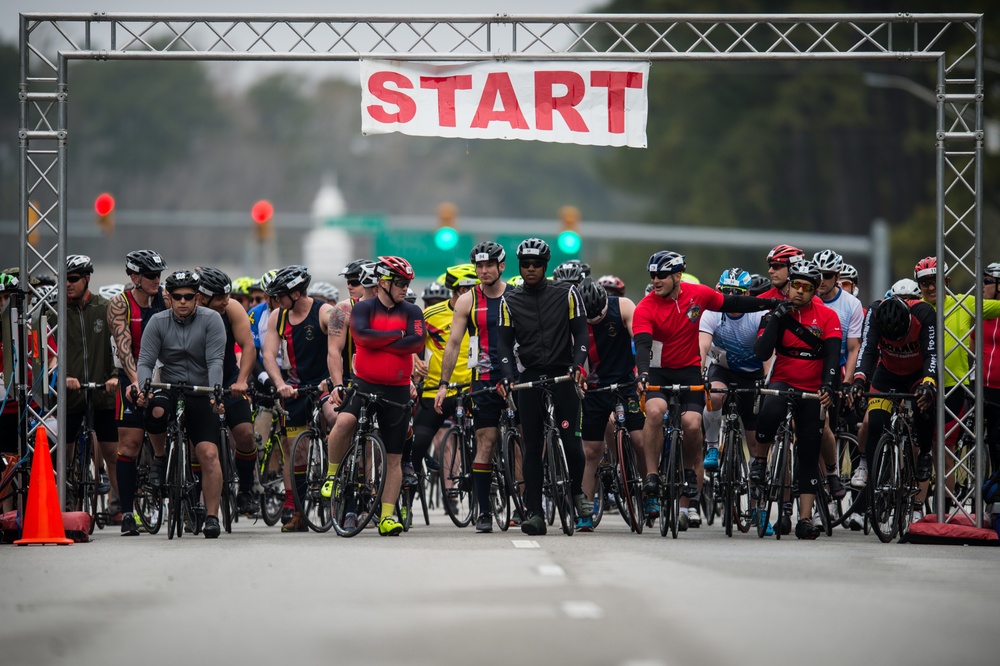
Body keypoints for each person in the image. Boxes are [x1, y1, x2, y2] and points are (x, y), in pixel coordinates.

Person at [635, 251, 779, 529]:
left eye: (661, 275)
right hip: (657, 370)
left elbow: (734, 302)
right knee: (655, 411)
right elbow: (642, 344)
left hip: (688, 370)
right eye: (652, 275)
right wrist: (642, 373)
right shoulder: (645, 306)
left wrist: (772, 302)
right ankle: (652, 475)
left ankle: (690, 472)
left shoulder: (698, 295)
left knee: (691, 424)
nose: (655, 280)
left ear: (677, 276)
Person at [496, 238, 593, 536]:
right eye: (525, 264)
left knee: (572, 442)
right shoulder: (509, 300)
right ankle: (535, 513)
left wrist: (578, 365)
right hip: (530, 376)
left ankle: (576, 491)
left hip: (563, 373)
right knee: (533, 446)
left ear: (545, 266)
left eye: (536, 264)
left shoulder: (566, 293)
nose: (530, 269)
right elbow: (502, 343)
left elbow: (581, 334)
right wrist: (508, 375)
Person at [324, 256, 424, 536]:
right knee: (343, 423)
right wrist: (397, 336)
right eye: (400, 283)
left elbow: (416, 342)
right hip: (365, 385)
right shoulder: (363, 307)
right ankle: (332, 473)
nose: (405, 288)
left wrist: (383, 340)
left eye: (407, 283)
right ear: (383, 283)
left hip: (398, 389)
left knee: (393, 459)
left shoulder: (412, 312)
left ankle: (387, 516)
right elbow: (362, 337)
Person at [133, 270, 227, 538]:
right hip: (169, 387)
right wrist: (144, 388)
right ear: (169, 298)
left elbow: (215, 361)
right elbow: (146, 362)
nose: (183, 302)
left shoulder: (212, 320)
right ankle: (160, 457)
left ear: (197, 297)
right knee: (156, 409)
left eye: (188, 297)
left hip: (201, 389)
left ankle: (211, 515)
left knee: (209, 454)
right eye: (177, 297)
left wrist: (215, 395)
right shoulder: (158, 322)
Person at [753, 261, 842, 539]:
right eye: (796, 286)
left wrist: (827, 385)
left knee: (808, 447)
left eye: (807, 288)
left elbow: (831, 355)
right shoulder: (775, 313)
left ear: (815, 291)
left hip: (812, 387)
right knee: (769, 410)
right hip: (783, 380)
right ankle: (758, 461)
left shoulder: (828, 317)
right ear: (788, 286)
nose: (800, 292)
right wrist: (777, 318)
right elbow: (761, 352)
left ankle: (804, 519)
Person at [434, 242, 515, 531]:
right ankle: (483, 510)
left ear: (501, 267)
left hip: (514, 377)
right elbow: (453, 343)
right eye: (479, 266)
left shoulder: (515, 296)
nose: (483, 271)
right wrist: (443, 384)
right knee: (486, 440)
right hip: (483, 379)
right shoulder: (468, 300)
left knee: (525, 440)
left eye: (489, 266)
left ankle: (527, 503)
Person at [261, 265, 338, 532]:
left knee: (334, 418)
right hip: (295, 389)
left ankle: (341, 478)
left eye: (280, 295)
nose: (275, 300)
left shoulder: (325, 312)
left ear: (295, 293)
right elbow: (269, 354)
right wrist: (280, 384)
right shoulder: (277, 317)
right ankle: (298, 512)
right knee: (296, 451)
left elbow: (336, 349)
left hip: (324, 384)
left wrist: (332, 380)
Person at [851, 293, 938, 523]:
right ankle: (875, 486)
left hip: (917, 374)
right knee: (876, 424)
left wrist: (929, 383)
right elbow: (867, 348)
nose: (898, 343)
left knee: (924, 408)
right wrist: (858, 380)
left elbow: (932, 354)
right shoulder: (875, 312)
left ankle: (925, 454)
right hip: (887, 373)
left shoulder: (924, 313)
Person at [106, 249, 168, 536]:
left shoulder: (167, 299)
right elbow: (123, 346)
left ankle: (159, 460)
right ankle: (128, 512)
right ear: (135, 277)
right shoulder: (120, 304)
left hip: (165, 373)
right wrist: (137, 382)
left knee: (165, 427)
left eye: (159, 275)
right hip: (131, 374)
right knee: (128, 445)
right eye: (152, 276)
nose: (158, 280)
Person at [413, 264, 478, 524]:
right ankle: (408, 484)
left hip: (474, 388)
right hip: (436, 390)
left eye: (473, 290)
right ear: (457, 290)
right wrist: (415, 363)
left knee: (488, 436)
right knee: (417, 443)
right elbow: (413, 345)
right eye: (466, 290)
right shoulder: (430, 314)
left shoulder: (482, 312)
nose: (471, 294)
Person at [577, 277, 644, 532]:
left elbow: (640, 341)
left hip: (626, 383)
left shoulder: (624, 306)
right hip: (596, 388)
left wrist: (642, 374)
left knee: (639, 439)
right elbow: (574, 355)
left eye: (599, 315)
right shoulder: (574, 318)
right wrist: (579, 377)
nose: (595, 320)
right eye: (589, 317)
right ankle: (586, 511)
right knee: (591, 451)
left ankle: (649, 492)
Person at [195, 267, 259, 515]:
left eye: (227, 295)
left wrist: (242, 380)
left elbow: (248, 347)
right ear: (202, 297)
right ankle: (194, 496)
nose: (226, 301)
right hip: (199, 381)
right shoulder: (188, 309)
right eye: (220, 297)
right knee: (196, 446)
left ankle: (245, 490)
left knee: (245, 434)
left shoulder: (231, 309)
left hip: (229, 379)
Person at [62, 255, 120, 516]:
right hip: (69, 394)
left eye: (73, 279)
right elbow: (46, 352)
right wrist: (60, 376)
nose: (67, 284)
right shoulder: (55, 312)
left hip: (102, 392)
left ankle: (119, 504)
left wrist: (116, 375)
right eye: (62, 279)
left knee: (112, 452)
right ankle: (68, 503)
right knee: (65, 453)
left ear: (87, 279)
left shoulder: (105, 308)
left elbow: (120, 348)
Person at [812, 249, 864, 501]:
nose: (821, 280)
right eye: (818, 274)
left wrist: (847, 382)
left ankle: (830, 478)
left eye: (828, 275)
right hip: (808, 366)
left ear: (838, 276)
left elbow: (853, 348)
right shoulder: (806, 296)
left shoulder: (851, 304)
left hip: (836, 369)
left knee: (826, 428)